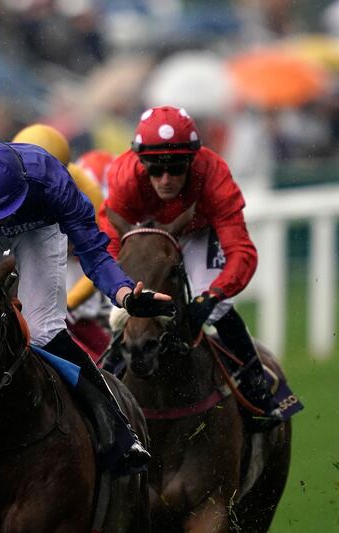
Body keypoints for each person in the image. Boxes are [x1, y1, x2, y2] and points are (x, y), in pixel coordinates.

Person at [0, 138, 174, 473]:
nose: (0, 223)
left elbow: (93, 252)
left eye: (5, 214)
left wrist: (125, 295)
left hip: (38, 231)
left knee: (42, 331)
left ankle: (116, 430)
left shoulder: (50, 181)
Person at [97, 105, 281, 428]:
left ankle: (257, 389)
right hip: (145, 234)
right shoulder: (124, 177)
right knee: (122, 312)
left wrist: (213, 295)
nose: (165, 180)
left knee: (216, 308)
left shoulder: (215, 176)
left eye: (176, 168)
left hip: (198, 232)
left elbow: (241, 251)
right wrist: (119, 290)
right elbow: (109, 244)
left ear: (192, 161)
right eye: (155, 170)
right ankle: (106, 383)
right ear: (141, 163)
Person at [11, 124, 111, 357]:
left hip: (82, 286)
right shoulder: (7, 186)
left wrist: (70, 304)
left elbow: (103, 254)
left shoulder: (87, 190)